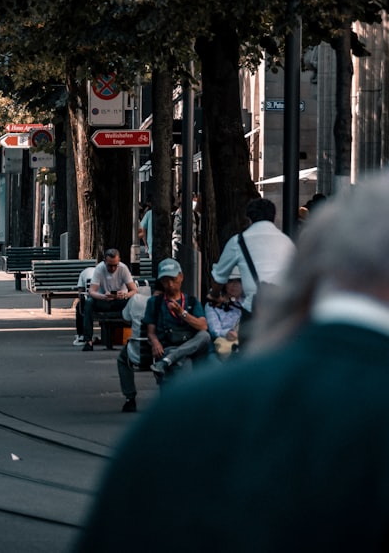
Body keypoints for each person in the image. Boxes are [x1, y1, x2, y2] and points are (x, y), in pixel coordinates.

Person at [75, 172, 389, 552]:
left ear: (315, 270)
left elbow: (220, 274)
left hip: (255, 318)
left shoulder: (188, 413)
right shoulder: (286, 242)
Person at [115, 257, 208, 412]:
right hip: (168, 346)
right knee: (183, 363)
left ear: (181, 277)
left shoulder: (191, 301)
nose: (170, 285)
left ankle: (168, 362)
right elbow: (151, 331)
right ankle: (175, 399)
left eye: (173, 279)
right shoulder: (155, 302)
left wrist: (181, 313)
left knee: (204, 336)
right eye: (165, 281)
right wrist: (155, 342)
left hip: (187, 345)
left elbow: (203, 326)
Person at [207, 197, 295, 334]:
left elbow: (219, 277)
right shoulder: (287, 241)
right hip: (283, 310)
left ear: (249, 219)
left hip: (254, 310)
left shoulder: (239, 241)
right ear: (273, 217)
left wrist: (215, 294)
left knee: (250, 350)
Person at [80, 248, 139, 351]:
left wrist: (125, 295)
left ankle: (137, 338)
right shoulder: (99, 269)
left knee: (135, 301)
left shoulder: (123, 268)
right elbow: (92, 291)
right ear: (104, 262)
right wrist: (103, 296)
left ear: (119, 261)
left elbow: (134, 290)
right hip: (103, 300)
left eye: (115, 265)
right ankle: (88, 340)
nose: (113, 269)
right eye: (110, 265)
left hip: (120, 300)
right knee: (89, 302)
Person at [206, 267, 245, 358]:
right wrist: (227, 333)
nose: (234, 285)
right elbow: (214, 330)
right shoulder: (212, 304)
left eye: (238, 281)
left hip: (246, 344)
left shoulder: (248, 303)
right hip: (221, 348)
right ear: (224, 284)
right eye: (231, 281)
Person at [73, 260, 99, 346]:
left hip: (91, 300)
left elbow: (80, 291)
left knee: (79, 306)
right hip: (108, 300)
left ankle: (81, 335)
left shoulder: (85, 272)